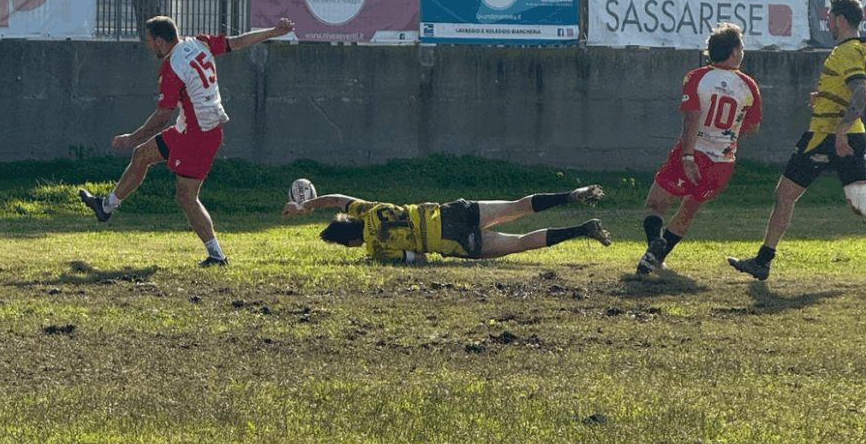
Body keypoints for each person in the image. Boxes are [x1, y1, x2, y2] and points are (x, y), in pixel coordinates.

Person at [80, 14, 294, 267]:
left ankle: (217, 255)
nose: (148, 46)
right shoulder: (198, 43)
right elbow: (237, 42)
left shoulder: (171, 67)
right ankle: (106, 207)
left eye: (149, 41)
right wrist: (273, 31)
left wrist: (131, 137)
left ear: (160, 41)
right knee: (142, 155)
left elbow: (162, 116)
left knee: (186, 197)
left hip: (199, 135)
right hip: (191, 128)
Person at [729, 0, 866, 281]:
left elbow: (862, 94)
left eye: (829, 17)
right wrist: (829, 96)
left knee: (784, 194)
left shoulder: (845, 52)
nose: (827, 21)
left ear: (840, 19)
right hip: (854, 134)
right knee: (860, 201)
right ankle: (762, 261)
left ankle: (763, 262)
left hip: (825, 135)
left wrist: (839, 130)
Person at [637, 22, 762, 275]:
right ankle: (656, 258)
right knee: (689, 209)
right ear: (735, 51)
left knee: (655, 205)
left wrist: (687, 155)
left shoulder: (696, 77)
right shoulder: (749, 86)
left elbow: (691, 118)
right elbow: (752, 128)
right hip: (723, 164)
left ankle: (654, 244)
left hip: (694, 154)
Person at [281, 186, 612, 262]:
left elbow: (419, 259)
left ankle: (582, 229)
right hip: (452, 214)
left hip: (454, 242)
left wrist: (376, 256)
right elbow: (337, 198)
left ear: (351, 242)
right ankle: (572, 194)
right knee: (516, 207)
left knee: (522, 242)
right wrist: (304, 207)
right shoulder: (370, 210)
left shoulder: (378, 249)